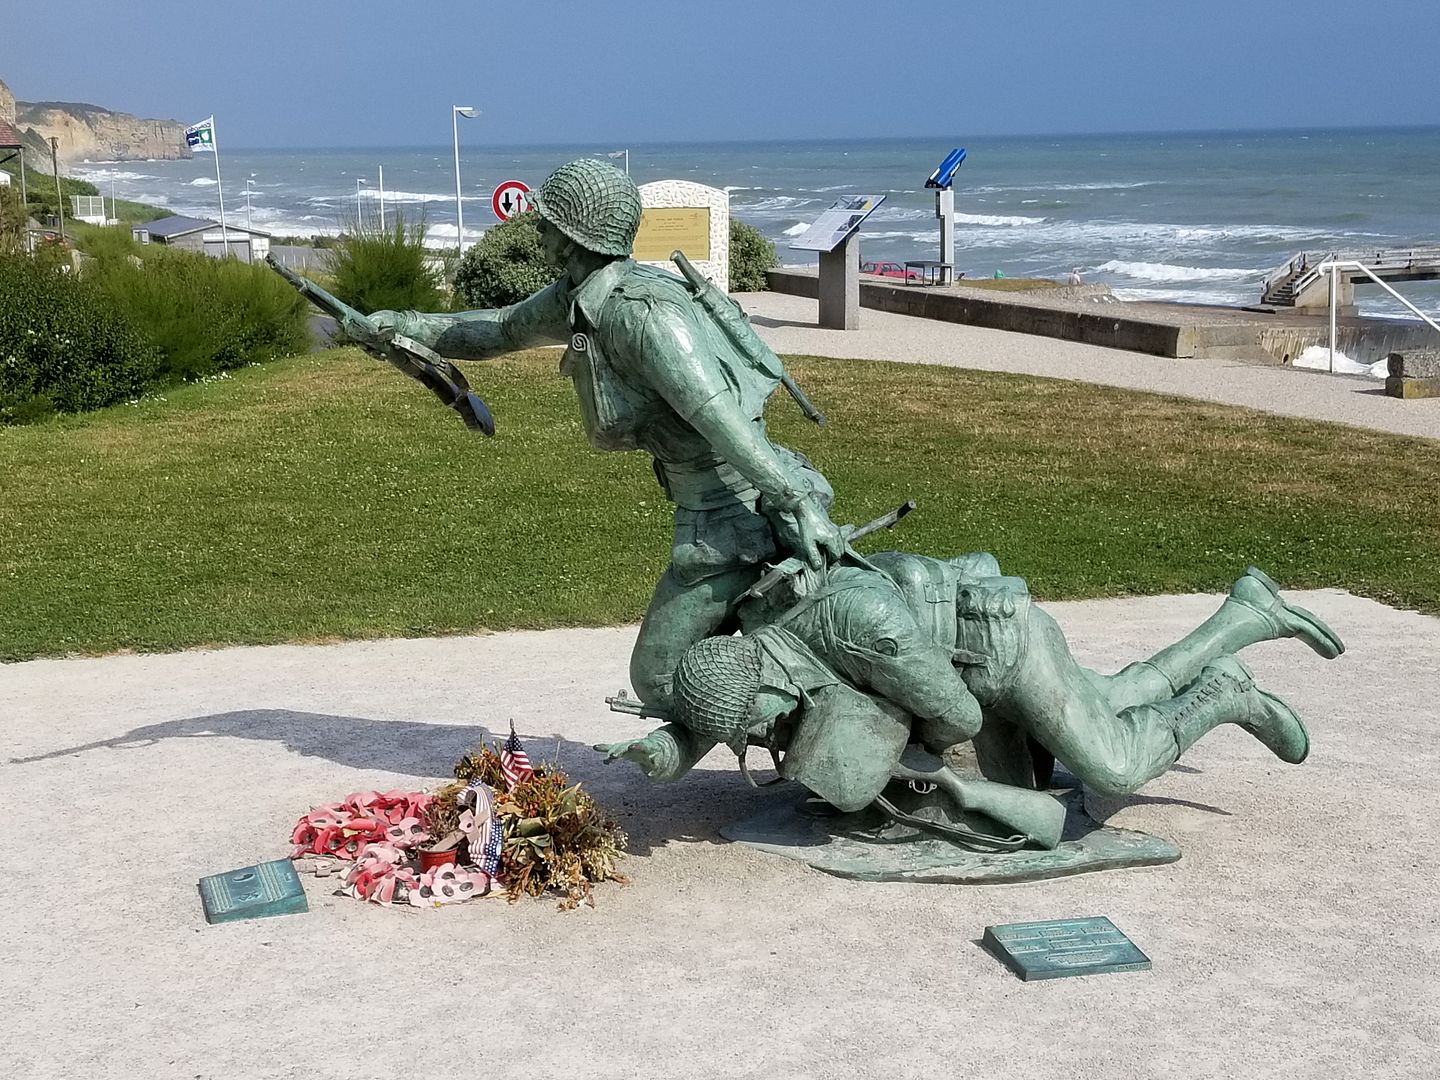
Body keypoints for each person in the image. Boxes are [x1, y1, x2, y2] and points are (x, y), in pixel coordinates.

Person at [366, 159, 844, 709]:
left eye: (546, 223)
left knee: (661, 680)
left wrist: (798, 503)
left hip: (736, 519)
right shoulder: (581, 297)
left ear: (570, 238)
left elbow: (722, 420)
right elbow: (497, 329)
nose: (537, 230)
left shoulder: (638, 316)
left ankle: (824, 726)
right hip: (717, 511)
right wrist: (399, 326)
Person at [597, 555, 1344, 844]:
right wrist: (662, 749)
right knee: (1113, 699)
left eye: (761, 726)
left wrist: (891, 753)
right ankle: (1245, 615)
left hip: (1002, 655)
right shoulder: (756, 641)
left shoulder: (866, 628)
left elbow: (957, 716)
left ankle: (1224, 695)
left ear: (768, 684)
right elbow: (722, 701)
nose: (768, 736)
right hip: (970, 656)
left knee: (1111, 764)